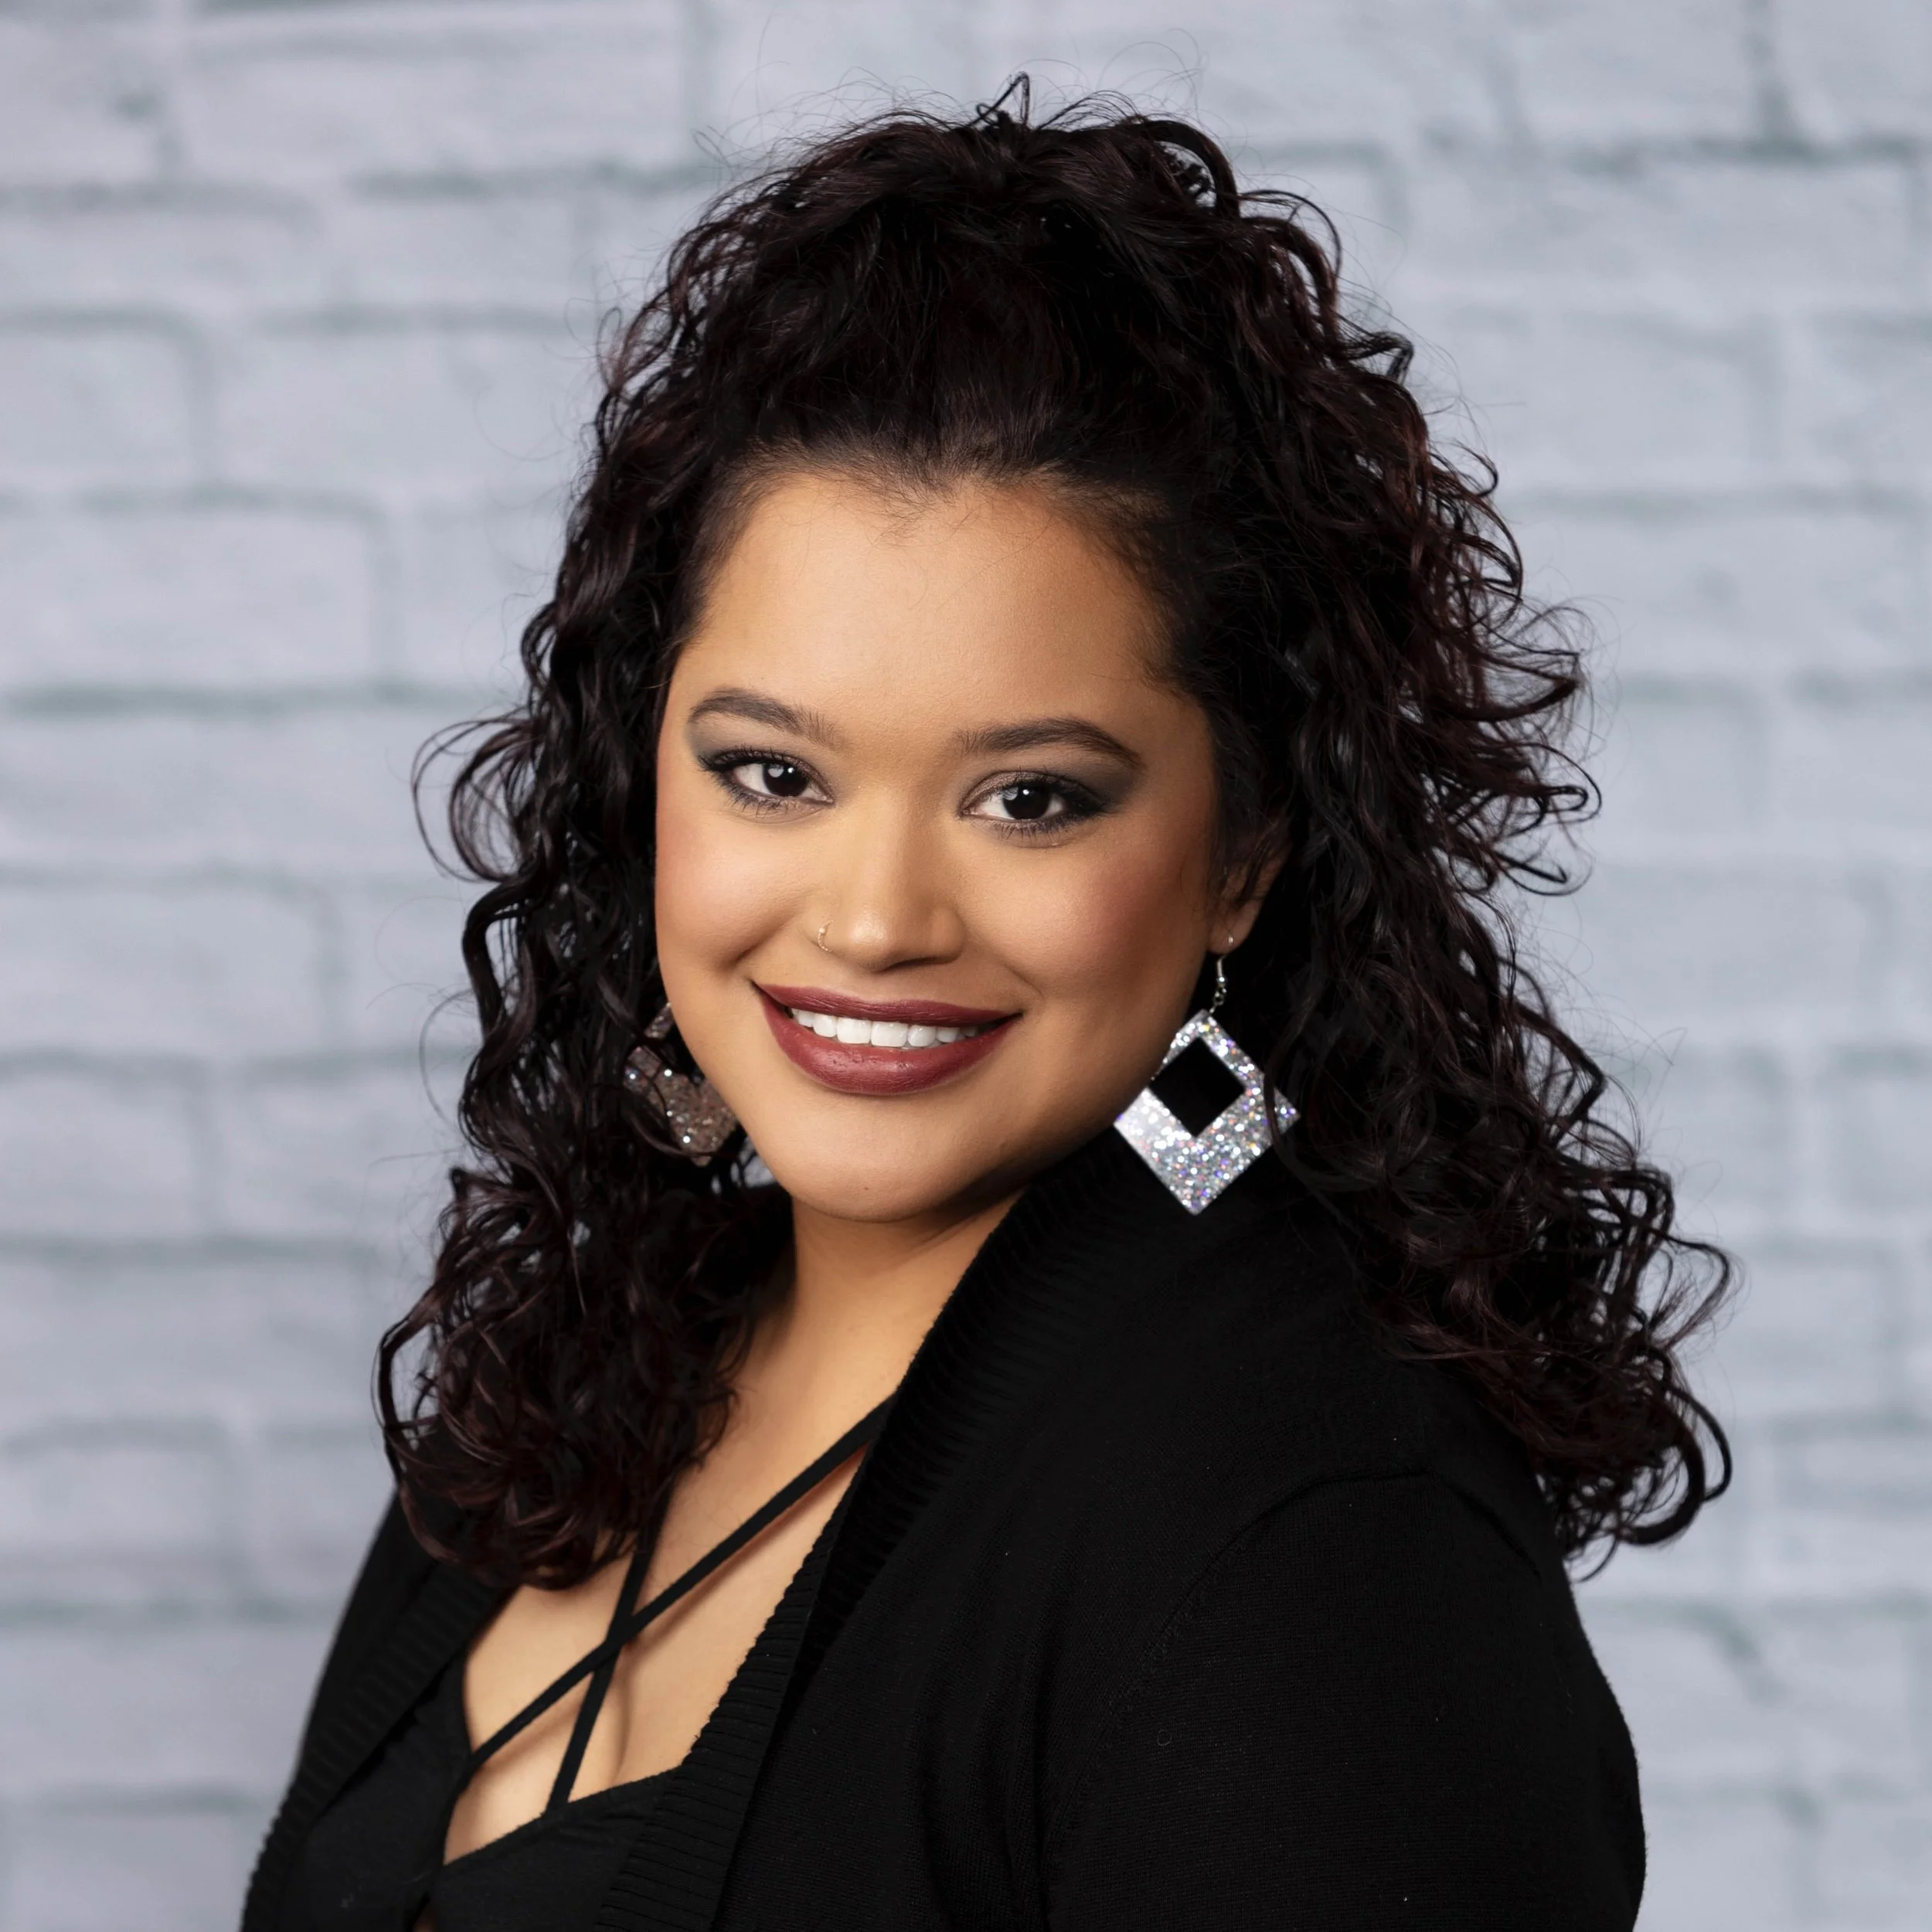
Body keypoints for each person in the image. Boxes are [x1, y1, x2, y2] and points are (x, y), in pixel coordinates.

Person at [243, 88, 1730, 1932]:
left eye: (1029, 796)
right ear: (644, 780)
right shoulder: (586, 1366)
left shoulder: (1315, 1536)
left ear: (1244, 850)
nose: (873, 918)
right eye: (773, 773)